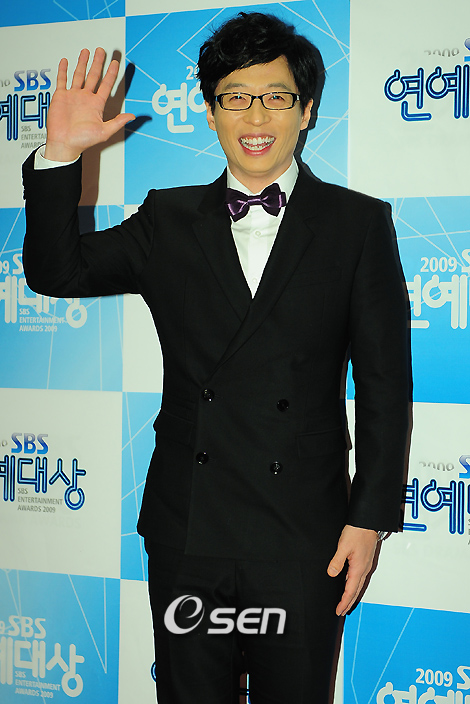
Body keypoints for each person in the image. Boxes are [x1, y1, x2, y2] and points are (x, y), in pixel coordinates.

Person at [22, 12, 410, 704]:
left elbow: (385, 385)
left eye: (277, 96)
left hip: (304, 533)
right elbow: (59, 272)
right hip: (189, 529)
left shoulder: (357, 223)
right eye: (235, 96)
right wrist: (59, 158)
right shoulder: (167, 219)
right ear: (209, 111)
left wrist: (369, 517)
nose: (255, 116)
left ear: (306, 110)